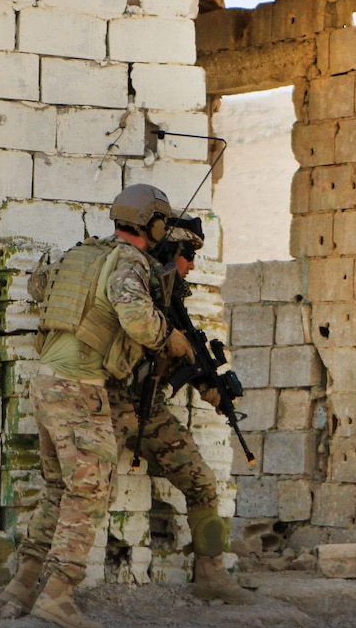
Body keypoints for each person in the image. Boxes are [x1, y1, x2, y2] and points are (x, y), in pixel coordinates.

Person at [0, 184, 195, 628]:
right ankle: (58, 595)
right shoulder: (128, 262)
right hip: (79, 387)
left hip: (46, 379)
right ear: (156, 223)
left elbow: (38, 286)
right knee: (89, 490)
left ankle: (22, 587)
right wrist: (171, 337)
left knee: (59, 487)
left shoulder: (83, 253)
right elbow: (138, 321)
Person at [107, 213, 256, 605]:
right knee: (82, 494)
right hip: (106, 403)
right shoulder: (135, 280)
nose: (191, 264)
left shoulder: (171, 294)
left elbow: (176, 351)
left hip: (148, 408)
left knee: (203, 483)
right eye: (187, 253)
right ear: (170, 249)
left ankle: (211, 574)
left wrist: (205, 381)